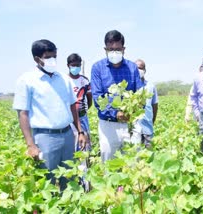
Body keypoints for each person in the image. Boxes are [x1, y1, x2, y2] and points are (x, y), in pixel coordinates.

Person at [13, 39, 87, 191]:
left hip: (67, 135)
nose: (52, 60)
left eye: (54, 56)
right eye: (48, 57)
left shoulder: (63, 79)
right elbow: (23, 113)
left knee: (69, 179)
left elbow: (73, 106)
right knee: (47, 182)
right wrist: (30, 145)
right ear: (37, 59)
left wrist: (80, 131)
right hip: (45, 137)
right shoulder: (27, 80)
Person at [91, 30, 143, 162]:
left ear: (124, 49)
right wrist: (115, 113)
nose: (114, 52)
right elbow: (97, 97)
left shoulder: (132, 67)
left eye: (118, 49)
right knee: (109, 163)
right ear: (105, 49)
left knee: (132, 163)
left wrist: (131, 112)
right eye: (111, 49)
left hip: (130, 122)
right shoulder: (98, 68)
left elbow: (140, 94)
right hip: (108, 125)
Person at [67, 53, 92, 191]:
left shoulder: (84, 80)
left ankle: (85, 184)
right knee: (71, 150)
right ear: (68, 66)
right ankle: (74, 182)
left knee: (84, 149)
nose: (75, 67)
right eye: (73, 65)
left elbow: (90, 99)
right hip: (68, 119)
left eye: (77, 65)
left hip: (82, 117)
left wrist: (83, 111)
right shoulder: (64, 80)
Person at [133, 59, 158, 147]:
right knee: (135, 156)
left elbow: (154, 106)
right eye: (136, 68)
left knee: (148, 155)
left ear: (145, 70)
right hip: (134, 129)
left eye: (141, 68)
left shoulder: (151, 86)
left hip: (148, 128)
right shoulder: (129, 86)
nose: (139, 70)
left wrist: (152, 121)